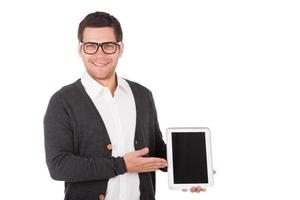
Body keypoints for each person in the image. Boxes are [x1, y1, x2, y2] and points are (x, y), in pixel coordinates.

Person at [44, 11, 206, 200]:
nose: (100, 54)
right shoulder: (63, 101)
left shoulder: (142, 95)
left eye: (108, 46)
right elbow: (59, 166)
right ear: (80, 50)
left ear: (120, 49)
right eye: (90, 46)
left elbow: (156, 150)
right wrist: (122, 165)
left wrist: (191, 171)